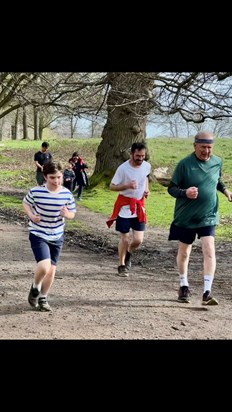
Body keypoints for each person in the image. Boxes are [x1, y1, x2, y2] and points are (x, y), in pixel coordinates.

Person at [168, 131, 232, 306]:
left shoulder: (217, 161)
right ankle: (183, 285)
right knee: (185, 251)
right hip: (186, 216)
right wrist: (185, 193)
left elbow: (217, 181)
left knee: (209, 249)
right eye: (203, 147)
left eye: (209, 147)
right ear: (195, 145)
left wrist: (226, 192)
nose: (206, 151)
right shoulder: (184, 164)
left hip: (208, 215)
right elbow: (172, 188)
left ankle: (207, 292)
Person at [23, 160, 76, 312]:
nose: (56, 181)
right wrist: (31, 215)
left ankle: (43, 298)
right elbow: (26, 203)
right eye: (52, 177)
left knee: (52, 270)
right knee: (44, 266)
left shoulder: (66, 194)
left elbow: (72, 213)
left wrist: (67, 214)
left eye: (59, 177)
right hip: (38, 233)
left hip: (57, 235)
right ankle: (35, 287)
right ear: (45, 177)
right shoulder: (36, 192)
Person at [106, 142, 151, 276]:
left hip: (139, 206)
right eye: (138, 156)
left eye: (143, 156)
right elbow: (112, 186)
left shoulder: (147, 166)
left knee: (138, 240)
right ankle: (121, 265)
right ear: (131, 154)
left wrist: (146, 189)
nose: (141, 159)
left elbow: (146, 177)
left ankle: (128, 253)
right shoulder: (123, 169)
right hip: (124, 207)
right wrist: (126, 186)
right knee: (125, 238)